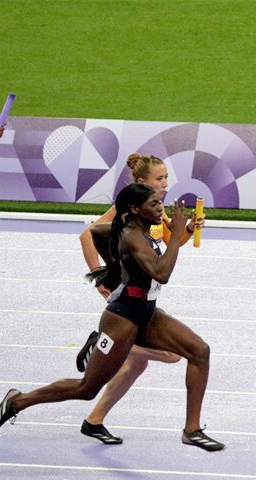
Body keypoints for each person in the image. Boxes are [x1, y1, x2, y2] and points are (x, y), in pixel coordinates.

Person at [0, 182, 225, 452]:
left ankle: (191, 430)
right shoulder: (133, 235)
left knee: (199, 351)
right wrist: (176, 233)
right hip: (122, 318)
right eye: (154, 204)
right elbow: (162, 273)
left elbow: (98, 231)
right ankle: (18, 401)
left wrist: (115, 265)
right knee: (86, 389)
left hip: (146, 312)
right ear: (135, 209)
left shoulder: (140, 230)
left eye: (160, 203)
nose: (161, 208)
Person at [74, 153, 202, 445]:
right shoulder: (127, 210)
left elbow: (168, 243)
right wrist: (101, 277)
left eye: (167, 177)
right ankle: (103, 346)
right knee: (172, 354)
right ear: (143, 182)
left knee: (136, 365)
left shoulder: (156, 211)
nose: (166, 184)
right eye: (160, 179)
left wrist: (188, 229)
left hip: (144, 295)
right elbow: (87, 235)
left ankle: (94, 420)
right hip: (125, 294)